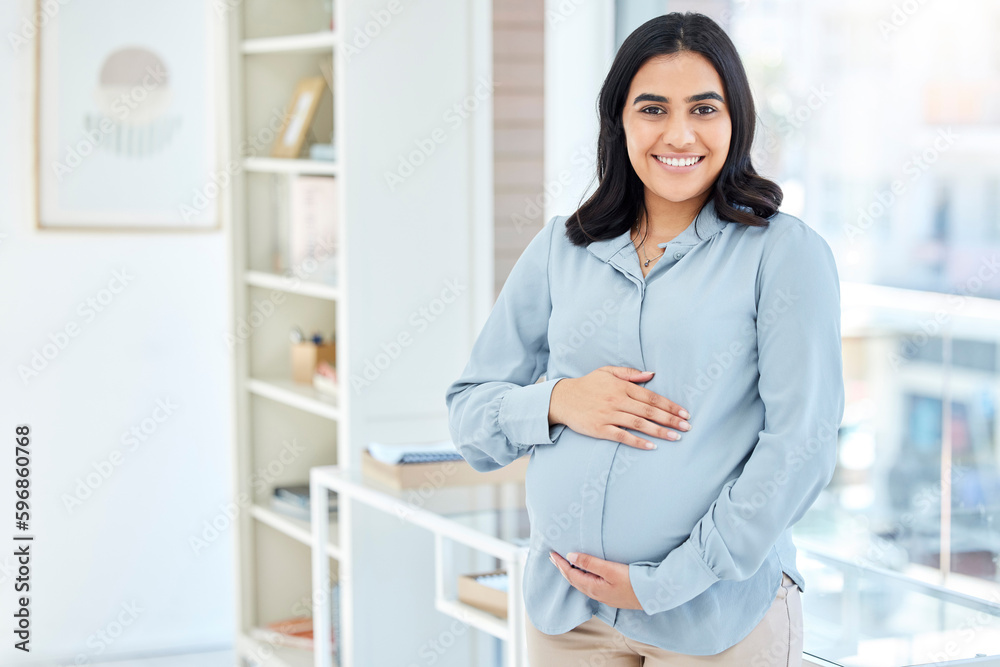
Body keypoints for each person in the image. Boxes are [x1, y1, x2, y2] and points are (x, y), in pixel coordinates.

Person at [444, 11, 844, 666]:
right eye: (652, 108)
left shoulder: (783, 254)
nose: (678, 133)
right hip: (568, 617)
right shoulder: (562, 248)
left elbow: (800, 447)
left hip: (714, 621)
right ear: (620, 121)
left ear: (735, 121)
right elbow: (469, 415)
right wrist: (557, 400)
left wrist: (665, 581)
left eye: (704, 109)